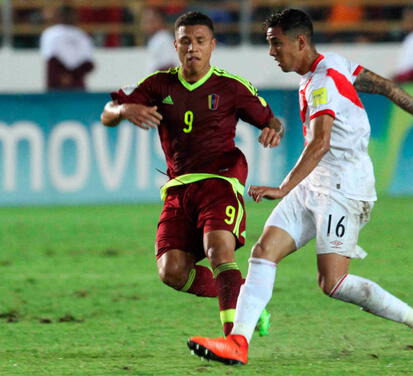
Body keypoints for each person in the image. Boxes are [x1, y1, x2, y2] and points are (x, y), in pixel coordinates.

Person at [188, 8, 413, 365]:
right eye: (269, 44)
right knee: (263, 252)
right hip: (317, 181)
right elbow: (387, 87)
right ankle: (238, 343)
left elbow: (321, 142)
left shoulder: (323, 82)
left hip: (345, 188)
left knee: (334, 283)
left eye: (276, 44)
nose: (272, 53)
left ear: (300, 41)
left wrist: (283, 187)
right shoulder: (333, 65)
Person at [100, 11, 282, 337]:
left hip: (220, 180)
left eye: (200, 41)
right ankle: (246, 299)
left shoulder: (231, 87)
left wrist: (273, 128)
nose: (192, 48)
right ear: (175, 44)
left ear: (212, 46)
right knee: (171, 271)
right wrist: (125, 109)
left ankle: (234, 339)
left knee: (218, 250)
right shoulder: (158, 84)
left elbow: (271, 119)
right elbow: (107, 113)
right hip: (178, 188)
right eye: (185, 41)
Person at [40, 6, 94, 90]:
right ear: (58, 16)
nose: (68, 18)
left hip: (77, 83)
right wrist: (62, 75)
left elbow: (88, 63)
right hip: (56, 83)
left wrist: (72, 75)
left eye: (71, 15)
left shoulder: (81, 35)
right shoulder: (50, 34)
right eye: (65, 15)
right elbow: (50, 59)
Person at [141, 8, 178, 73]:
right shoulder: (156, 38)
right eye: (145, 21)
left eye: (149, 21)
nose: (145, 24)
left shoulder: (163, 38)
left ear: (159, 21)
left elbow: (169, 65)